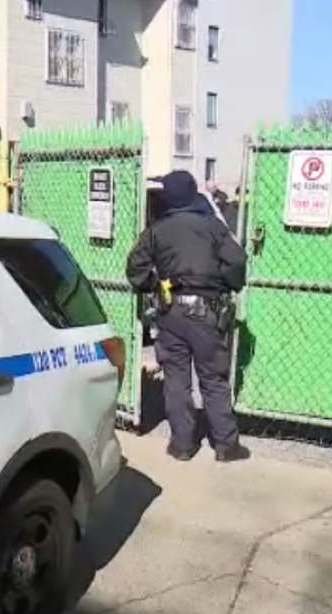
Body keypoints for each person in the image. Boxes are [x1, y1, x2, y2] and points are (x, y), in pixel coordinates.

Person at [126, 170, 250, 462]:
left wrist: (154, 284)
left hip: (170, 312)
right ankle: (226, 445)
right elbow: (237, 261)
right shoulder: (212, 227)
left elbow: (135, 269)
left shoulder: (156, 231)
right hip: (207, 311)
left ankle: (182, 445)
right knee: (213, 378)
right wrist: (225, 284)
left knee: (176, 379)